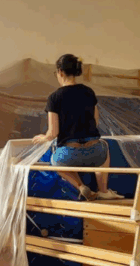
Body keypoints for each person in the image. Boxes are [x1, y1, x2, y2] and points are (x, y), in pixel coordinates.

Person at [31, 54, 121, 201]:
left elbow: (53, 133)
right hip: (95, 154)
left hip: (69, 155)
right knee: (104, 145)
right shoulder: (88, 92)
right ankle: (103, 191)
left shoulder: (54, 97)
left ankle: (80, 186)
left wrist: (43, 137)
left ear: (60, 72)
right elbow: (95, 122)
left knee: (55, 161)